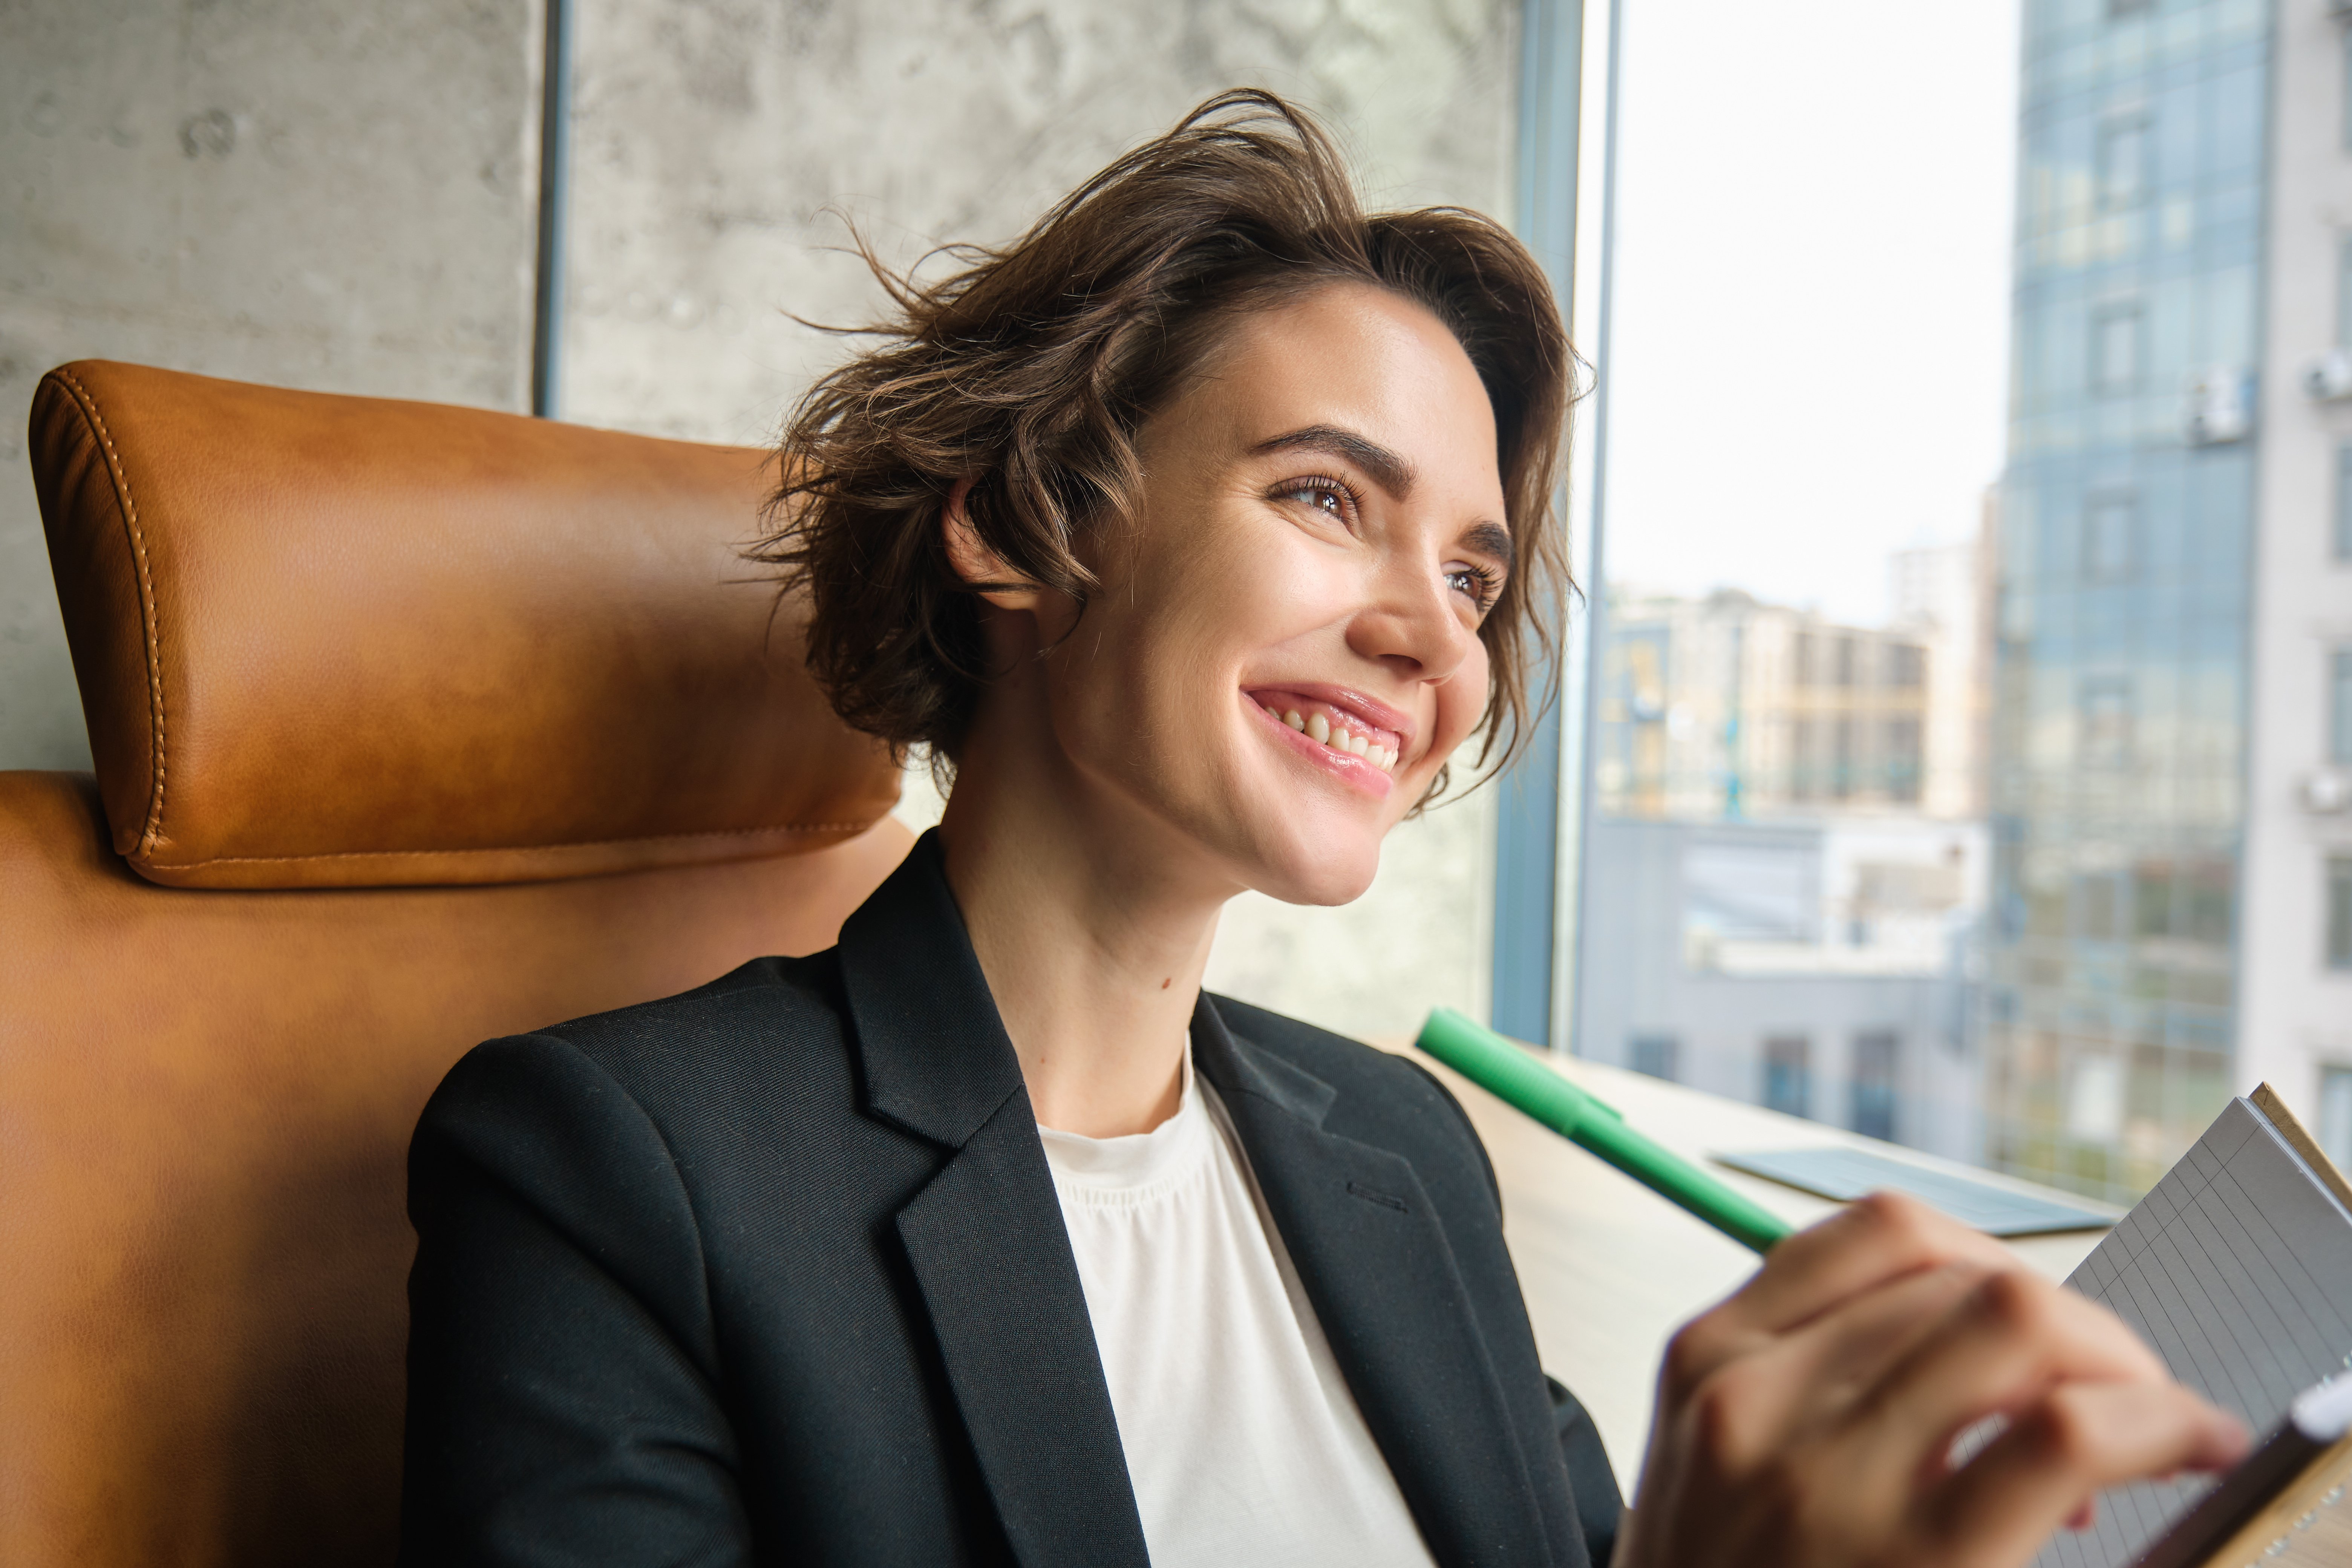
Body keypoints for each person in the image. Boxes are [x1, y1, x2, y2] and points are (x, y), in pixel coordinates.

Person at [397, 91, 2245, 1568]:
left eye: (1468, 568)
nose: (1437, 636)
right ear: (1023, 522)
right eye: (1323, 496)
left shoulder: (1402, 1142)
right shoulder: (611, 1166)